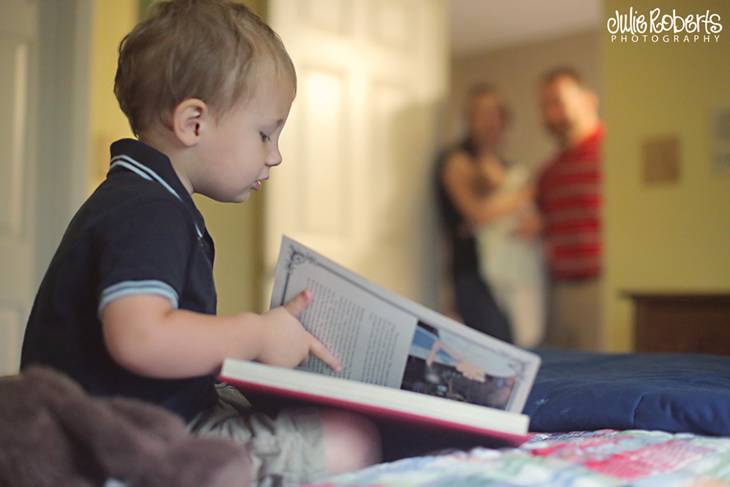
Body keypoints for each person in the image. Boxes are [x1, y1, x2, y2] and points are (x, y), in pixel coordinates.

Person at [20, 1, 380, 485]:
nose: (275, 156)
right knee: (347, 441)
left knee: (268, 407)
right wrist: (256, 333)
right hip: (118, 440)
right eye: (265, 133)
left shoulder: (141, 198)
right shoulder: (148, 211)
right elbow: (140, 337)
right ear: (194, 123)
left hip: (131, 415)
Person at [437, 84, 543, 346]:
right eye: (482, 114)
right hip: (474, 275)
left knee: (523, 343)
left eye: (496, 114)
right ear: (469, 119)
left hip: (516, 271)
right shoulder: (456, 162)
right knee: (495, 347)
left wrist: (534, 222)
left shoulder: (510, 169)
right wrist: (522, 196)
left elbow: (530, 214)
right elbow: (476, 214)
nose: (490, 121)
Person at [519, 67, 604, 351]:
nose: (551, 114)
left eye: (558, 101)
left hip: (602, 287)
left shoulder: (613, 153)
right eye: (544, 106)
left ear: (589, 100)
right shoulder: (548, 173)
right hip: (558, 291)